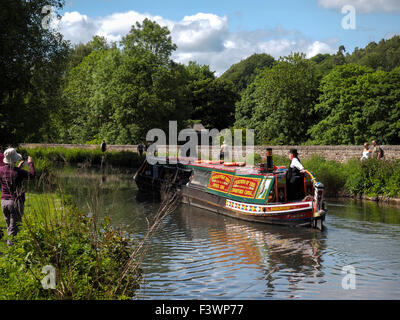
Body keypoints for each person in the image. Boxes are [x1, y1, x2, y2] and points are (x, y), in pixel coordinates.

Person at [0, 148, 35, 245]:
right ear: (15, 160)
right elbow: (32, 175)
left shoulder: (1, 170)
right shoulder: (19, 172)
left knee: (9, 226)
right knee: (14, 228)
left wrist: (18, 168)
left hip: (4, 202)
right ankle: (12, 250)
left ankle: (11, 246)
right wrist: (30, 164)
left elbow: (9, 174)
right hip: (15, 202)